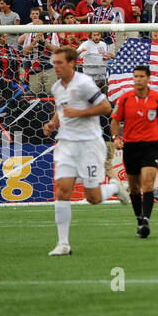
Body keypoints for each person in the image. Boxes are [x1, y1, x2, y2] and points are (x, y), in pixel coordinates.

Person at [44, 46, 128, 255]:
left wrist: (80, 113)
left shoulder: (84, 83)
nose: (56, 67)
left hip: (89, 144)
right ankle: (63, 244)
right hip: (66, 144)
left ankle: (116, 188)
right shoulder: (57, 87)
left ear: (72, 63)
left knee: (93, 197)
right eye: (54, 63)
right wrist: (53, 123)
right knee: (62, 190)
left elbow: (107, 107)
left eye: (60, 63)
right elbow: (61, 109)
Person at [110, 64, 158, 238]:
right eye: (135, 76)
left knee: (147, 183)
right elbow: (115, 120)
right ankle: (139, 219)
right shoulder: (124, 99)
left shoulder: (157, 99)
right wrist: (116, 137)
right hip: (130, 146)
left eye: (141, 76)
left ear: (148, 78)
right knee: (134, 187)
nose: (138, 79)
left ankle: (146, 220)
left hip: (150, 146)